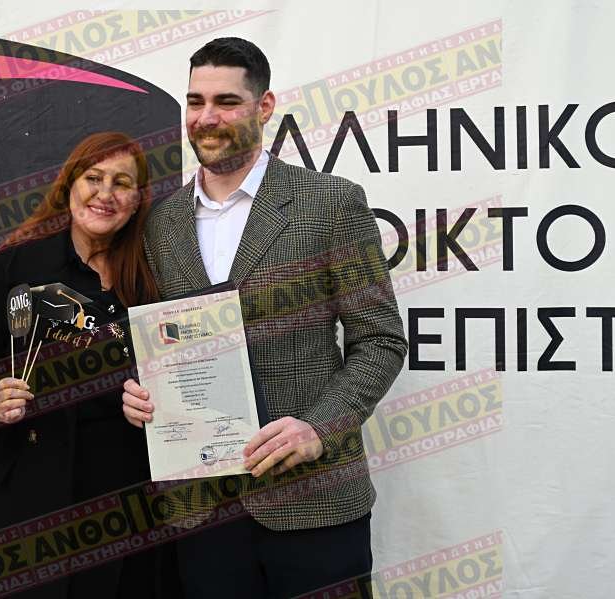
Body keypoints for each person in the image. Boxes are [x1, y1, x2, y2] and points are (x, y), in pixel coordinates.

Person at [121, 38, 408, 597]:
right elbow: (155, 340)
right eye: (195, 101)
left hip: (313, 501)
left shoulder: (330, 203)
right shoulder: (159, 222)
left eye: (226, 102)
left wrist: (319, 428)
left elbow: (380, 340)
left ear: (265, 106)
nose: (206, 118)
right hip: (201, 512)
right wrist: (137, 391)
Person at [0, 131, 164, 599]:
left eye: (122, 183)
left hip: (122, 489)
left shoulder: (153, 272)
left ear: (138, 199)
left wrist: (152, 398)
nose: (105, 193)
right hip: (25, 489)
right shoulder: (16, 264)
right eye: (93, 178)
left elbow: (176, 366)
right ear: (69, 185)